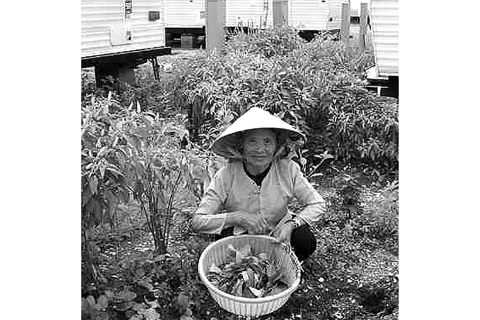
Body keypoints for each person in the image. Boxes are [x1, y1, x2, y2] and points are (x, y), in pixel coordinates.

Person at [191, 107, 326, 261]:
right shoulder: (226, 175)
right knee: (228, 253)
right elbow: (198, 221)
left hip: (279, 230)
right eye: (252, 141)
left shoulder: (288, 169)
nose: (260, 149)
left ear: (277, 145)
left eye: (267, 141)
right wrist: (238, 217)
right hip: (241, 232)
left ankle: (285, 264)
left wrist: (291, 224)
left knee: (305, 241)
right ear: (242, 146)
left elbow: (317, 204)